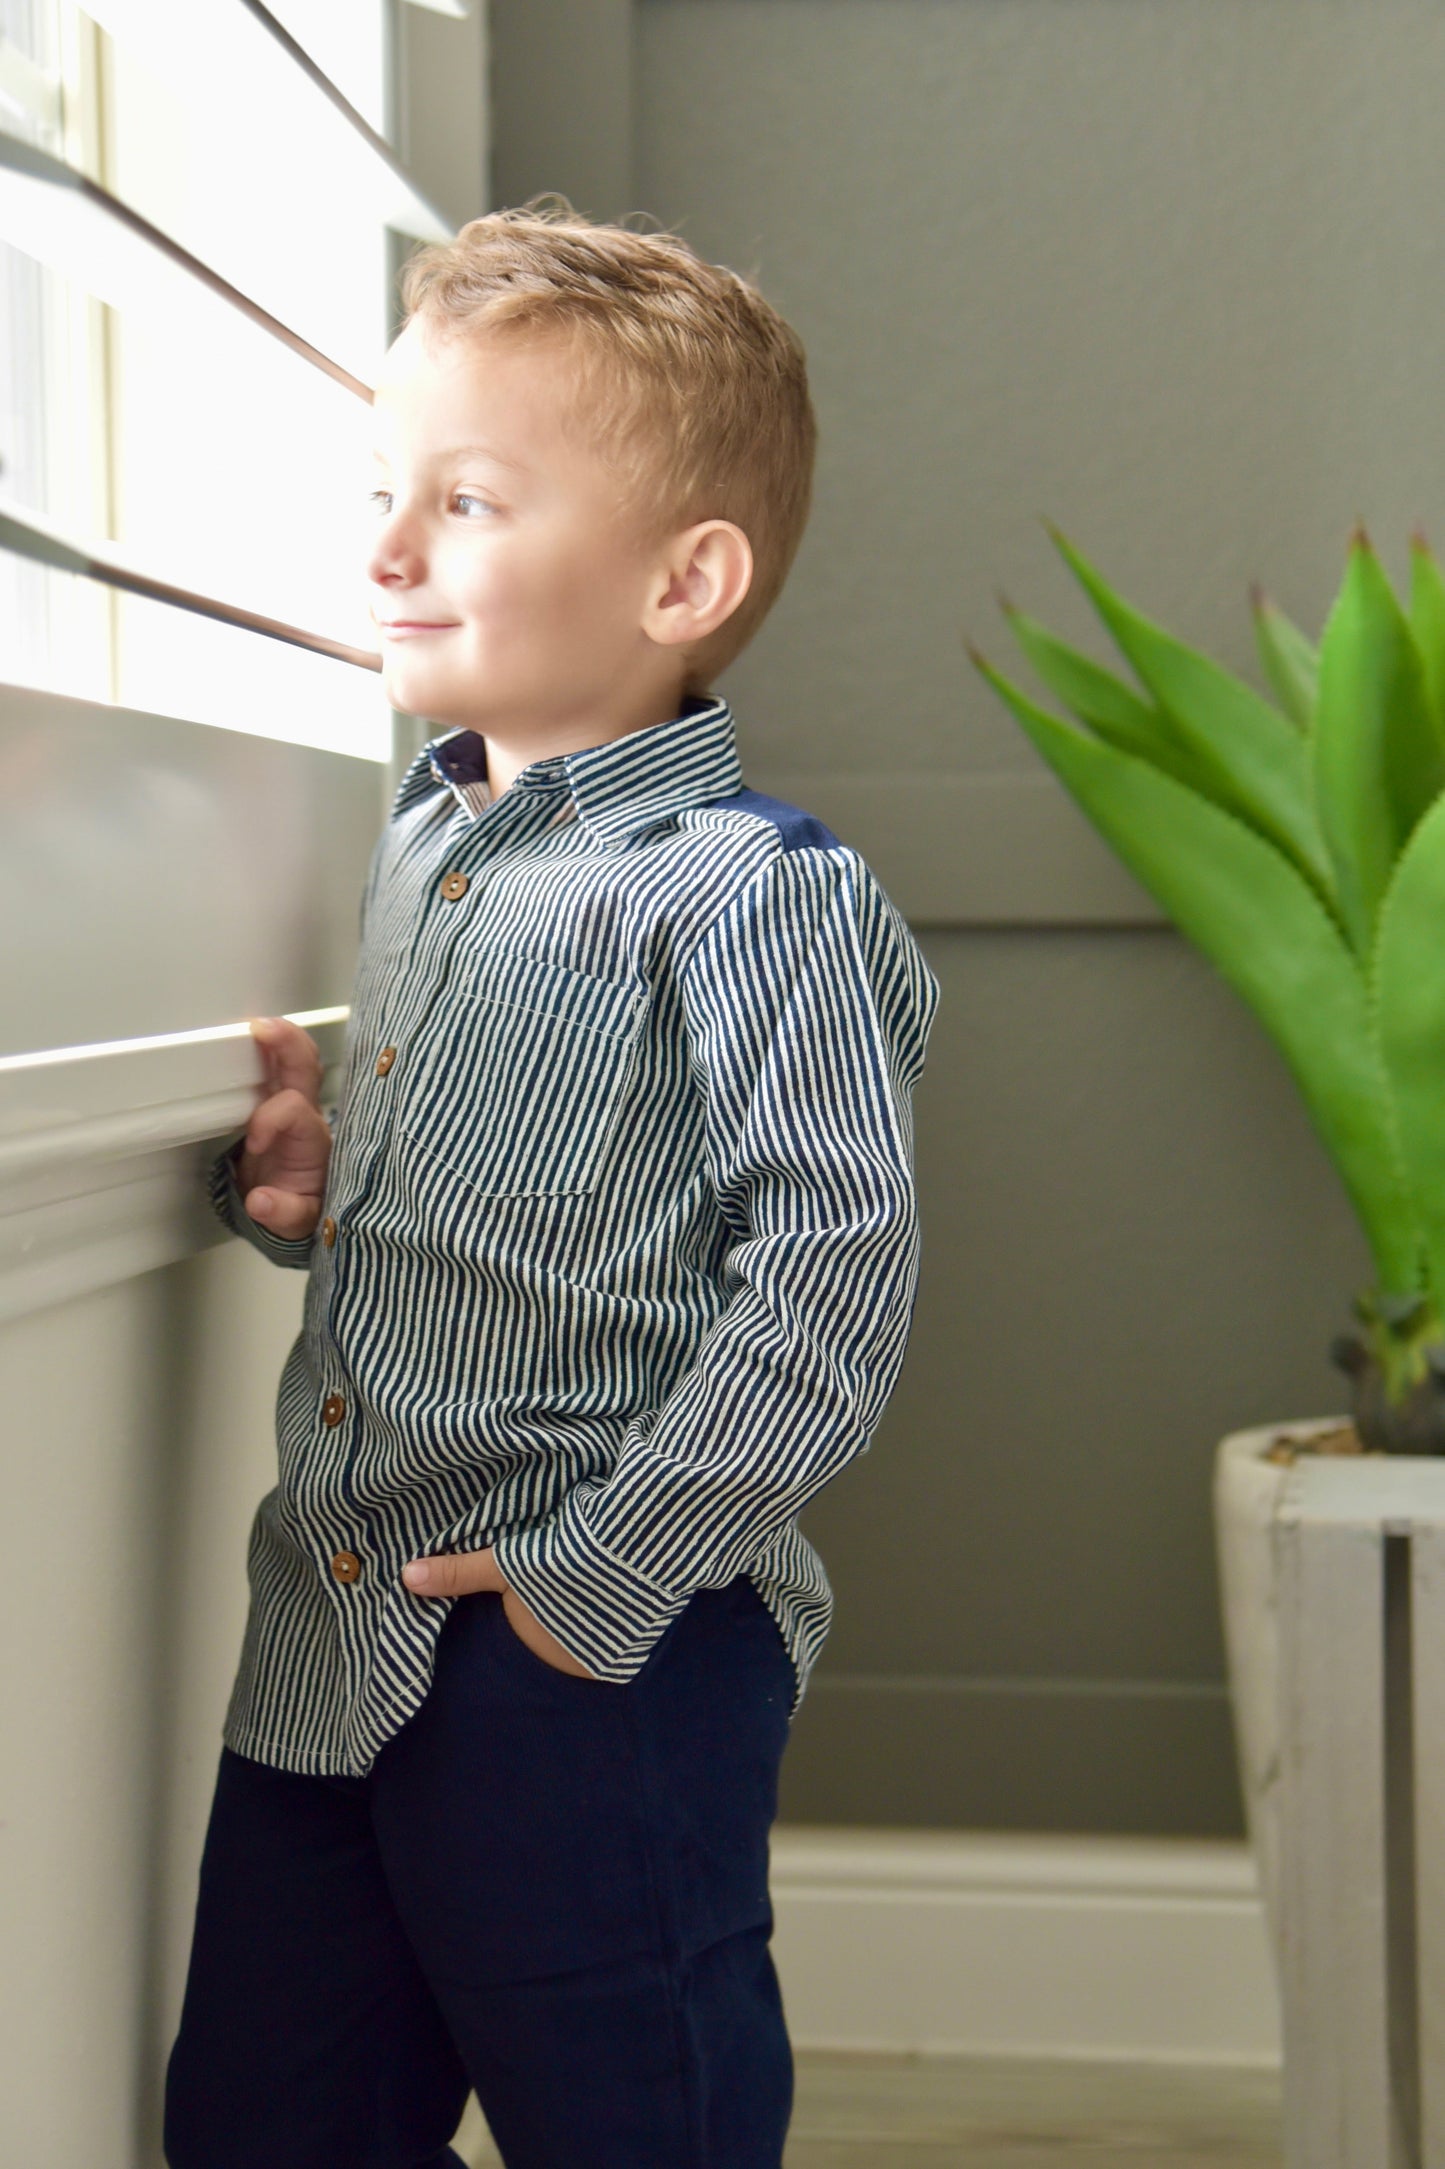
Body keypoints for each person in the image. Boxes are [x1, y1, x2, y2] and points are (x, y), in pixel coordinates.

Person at [164, 197, 940, 2169]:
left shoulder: (762, 897)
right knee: (264, 2111)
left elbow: (831, 1289)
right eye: (381, 489)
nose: (388, 546)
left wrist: (601, 1582)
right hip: (333, 1623)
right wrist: (317, 1190)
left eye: (472, 500)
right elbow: (537, 1202)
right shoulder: (425, 841)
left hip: (594, 1647)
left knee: (634, 2109)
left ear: (686, 577)